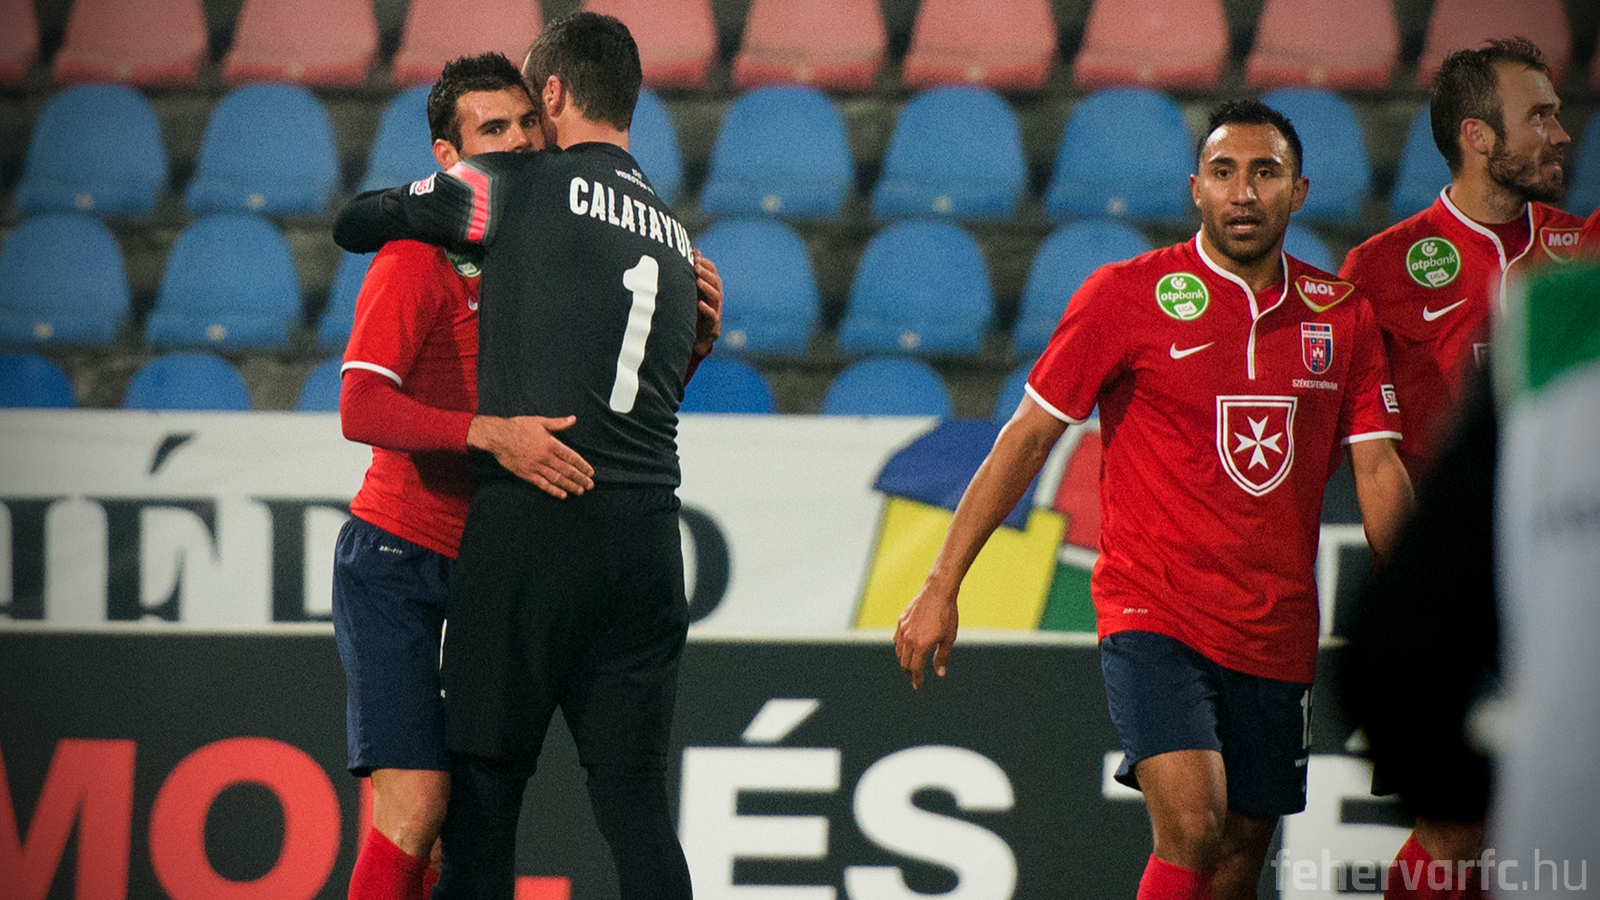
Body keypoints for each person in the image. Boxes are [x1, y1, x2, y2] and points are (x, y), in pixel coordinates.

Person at [894, 99, 1414, 900]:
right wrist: (941, 582)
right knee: (1194, 826)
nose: (1244, 192)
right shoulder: (1125, 295)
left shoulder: (1341, 315)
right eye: (1224, 172)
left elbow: (1377, 468)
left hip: (1277, 629)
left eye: (1266, 173)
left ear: (1299, 192)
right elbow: (1027, 438)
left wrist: (1421, 606)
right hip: (1155, 613)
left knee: (1237, 859)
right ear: (1196, 189)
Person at [333, 50, 722, 900]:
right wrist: (488, 434)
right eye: (493, 130)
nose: (516, 142)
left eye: (525, 124)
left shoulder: (547, 238)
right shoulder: (418, 256)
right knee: (421, 808)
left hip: (497, 551)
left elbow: (609, 406)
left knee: (469, 820)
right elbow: (359, 409)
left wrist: (689, 353)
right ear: (448, 157)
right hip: (402, 553)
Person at [1337, 37, 1582, 899]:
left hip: (1566, 582)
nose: (1562, 133)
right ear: (1477, 136)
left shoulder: (1584, 255)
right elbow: (1376, 459)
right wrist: (1429, 597)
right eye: (1539, 116)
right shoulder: (1377, 271)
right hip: (1462, 592)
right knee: (1457, 825)